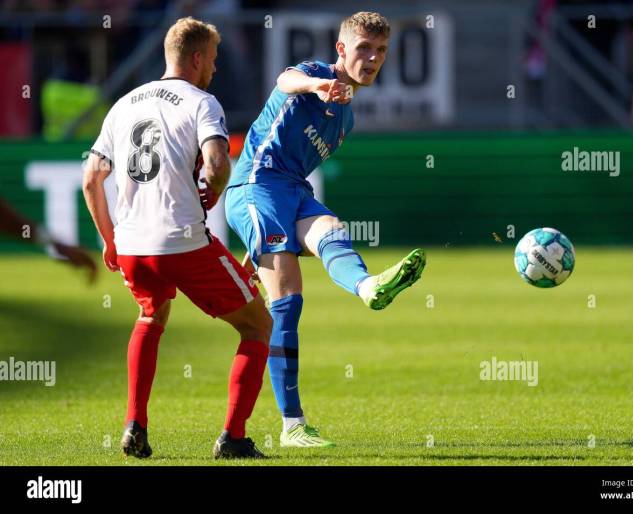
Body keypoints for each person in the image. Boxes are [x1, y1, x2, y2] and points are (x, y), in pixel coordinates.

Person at [225, 11, 426, 448]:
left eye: (381, 51)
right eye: (363, 49)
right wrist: (316, 85)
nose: (372, 58)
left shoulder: (346, 121)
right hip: (258, 184)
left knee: (331, 228)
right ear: (341, 50)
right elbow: (284, 81)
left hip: (292, 192)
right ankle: (292, 426)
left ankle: (368, 286)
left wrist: (255, 248)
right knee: (288, 300)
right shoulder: (315, 73)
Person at [82, 17, 272, 459]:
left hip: (132, 246)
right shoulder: (202, 101)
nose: (216, 70)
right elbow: (218, 161)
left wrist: (108, 240)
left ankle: (134, 424)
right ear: (198, 58)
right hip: (182, 241)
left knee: (151, 316)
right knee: (257, 324)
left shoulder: (124, 103)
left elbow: (92, 177)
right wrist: (214, 190)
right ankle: (234, 438)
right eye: (214, 60)